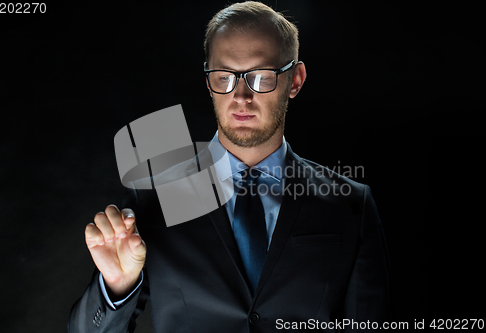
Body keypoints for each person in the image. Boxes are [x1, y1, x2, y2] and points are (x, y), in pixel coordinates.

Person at [68, 1, 391, 332]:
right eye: (224, 77)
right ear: (209, 81)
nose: (241, 95)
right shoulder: (154, 198)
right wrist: (116, 289)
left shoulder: (350, 204)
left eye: (261, 77)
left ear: (294, 80)